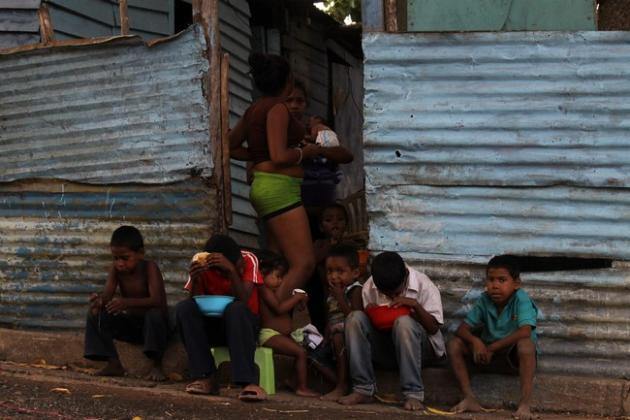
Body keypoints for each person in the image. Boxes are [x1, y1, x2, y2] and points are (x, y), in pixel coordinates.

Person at [229, 55, 322, 300]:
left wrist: (259, 157)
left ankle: (273, 313)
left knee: (278, 259)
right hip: (278, 189)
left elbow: (229, 145)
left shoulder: (254, 109)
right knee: (304, 263)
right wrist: (305, 152)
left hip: (266, 186)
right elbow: (281, 156)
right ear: (288, 80)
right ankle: (271, 315)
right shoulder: (277, 108)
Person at [339, 251, 445, 411]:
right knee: (354, 318)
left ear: (405, 276)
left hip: (420, 352)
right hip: (388, 349)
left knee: (404, 323)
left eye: (395, 293)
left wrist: (415, 306)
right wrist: (370, 313)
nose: (391, 297)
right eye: (385, 294)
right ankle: (363, 389)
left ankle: (413, 394)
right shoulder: (370, 286)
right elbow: (371, 326)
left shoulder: (424, 285)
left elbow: (434, 328)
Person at [175, 235, 267, 401]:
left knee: (236, 308)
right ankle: (206, 376)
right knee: (184, 308)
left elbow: (244, 300)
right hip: (215, 327)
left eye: (239, 265)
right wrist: (195, 280)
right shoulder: (203, 263)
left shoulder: (249, 259)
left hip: (244, 327)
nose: (240, 269)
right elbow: (194, 302)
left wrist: (231, 271)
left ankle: (249, 382)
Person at [447, 255, 538, 420]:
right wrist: (476, 341)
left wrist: (491, 348)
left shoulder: (521, 298)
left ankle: (525, 404)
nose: (495, 286)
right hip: (487, 356)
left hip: (511, 358)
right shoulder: (485, 299)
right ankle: (469, 398)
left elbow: (525, 331)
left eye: (502, 280)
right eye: (491, 280)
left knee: (526, 345)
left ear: (516, 283)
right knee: (454, 344)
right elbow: (461, 329)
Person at [84, 225, 168, 381]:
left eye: (125, 258)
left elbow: (157, 300)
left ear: (140, 254)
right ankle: (113, 363)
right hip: (132, 326)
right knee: (95, 314)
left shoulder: (150, 268)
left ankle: (157, 365)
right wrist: (99, 301)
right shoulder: (116, 271)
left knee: (154, 315)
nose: (120, 263)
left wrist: (126, 302)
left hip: (154, 328)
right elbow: (107, 296)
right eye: (116, 258)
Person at [285, 80, 353, 240]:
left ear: (306, 104)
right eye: (289, 100)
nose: (295, 105)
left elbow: (347, 156)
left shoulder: (319, 136)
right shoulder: (282, 134)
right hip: (297, 211)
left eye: (299, 101)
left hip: (325, 216)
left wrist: (319, 148)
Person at [257, 252, 320, 397]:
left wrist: (297, 301)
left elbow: (282, 308)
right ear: (263, 273)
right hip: (268, 334)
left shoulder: (271, 291)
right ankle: (302, 387)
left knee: (303, 349)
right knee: (300, 352)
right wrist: (296, 297)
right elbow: (279, 309)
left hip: (278, 334)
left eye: (282, 278)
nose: (280, 281)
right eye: (277, 276)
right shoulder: (263, 290)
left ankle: (292, 381)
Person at [320, 243, 362, 401]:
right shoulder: (332, 291)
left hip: (350, 336)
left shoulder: (355, 290)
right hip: (334, 333)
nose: (333, 276)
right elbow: (330, 316)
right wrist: (325, 333)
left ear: (355, 272)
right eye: (330, 271)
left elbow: (355, 318)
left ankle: (342, 386)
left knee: (338, 337)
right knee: (312, 351)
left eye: (340, 271)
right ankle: (337, 382)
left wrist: (340, 297)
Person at [307, 203, 350, 333]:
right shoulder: (319, 244)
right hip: (322, 288)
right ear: (321, 227)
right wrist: (330, 245)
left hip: (344, 288)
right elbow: (312, 262)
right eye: (329, 220)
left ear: (346, 225)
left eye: (340, 219)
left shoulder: (349, 245)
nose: (335, 223)